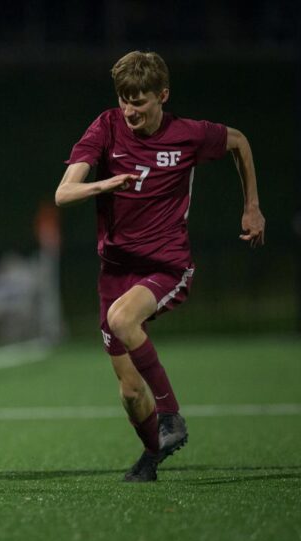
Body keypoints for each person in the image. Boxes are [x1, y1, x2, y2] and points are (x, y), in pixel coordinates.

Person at [55, 51, 265, 482]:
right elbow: (64, 193)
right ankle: (153, 454)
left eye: (140, 101)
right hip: (114, 271)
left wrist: (253, 208)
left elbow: (239, 141)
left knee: (122, 319)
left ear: (162, 96)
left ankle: (172, 415)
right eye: (124, 99)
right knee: (131, 392)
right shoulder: (107, 126)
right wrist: (105, 183)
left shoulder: (187, 135)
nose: (130, 110)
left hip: (165, 265)